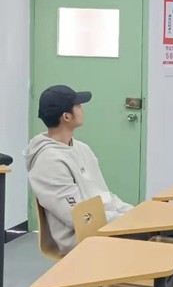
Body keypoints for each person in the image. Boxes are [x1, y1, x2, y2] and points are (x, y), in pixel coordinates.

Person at [24, 85, 134, 253]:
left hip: (106, 225)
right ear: (66, 116)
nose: (82, 109)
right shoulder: (48, 161)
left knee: (164, 230)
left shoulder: (82, 149)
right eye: (78, 105)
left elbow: (104, 195)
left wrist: (133, 213)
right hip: (83, 237)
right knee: (162, 242)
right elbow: (80, 217)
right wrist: (126, 221)